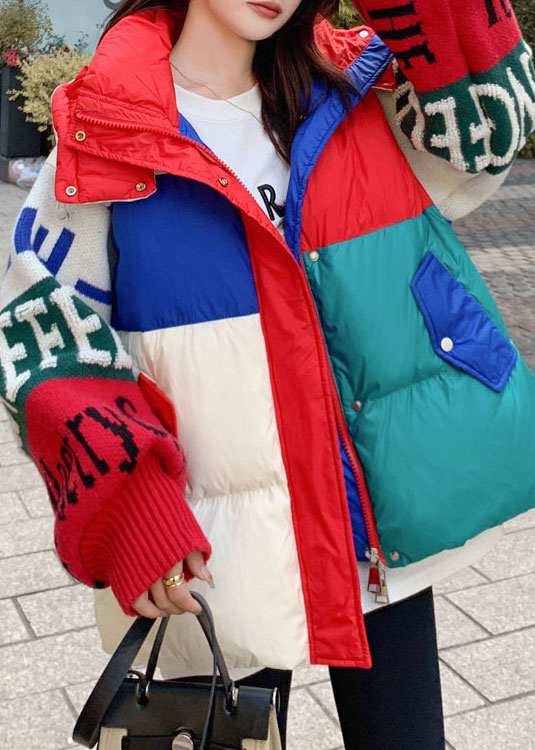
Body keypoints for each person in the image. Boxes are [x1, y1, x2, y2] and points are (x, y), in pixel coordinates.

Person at [1, 0, 534, 747]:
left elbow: (481, 145)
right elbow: (44, 337)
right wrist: (131, 510)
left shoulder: (356, 91)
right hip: (214, 546)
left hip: (377, 530)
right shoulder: (107, 128)